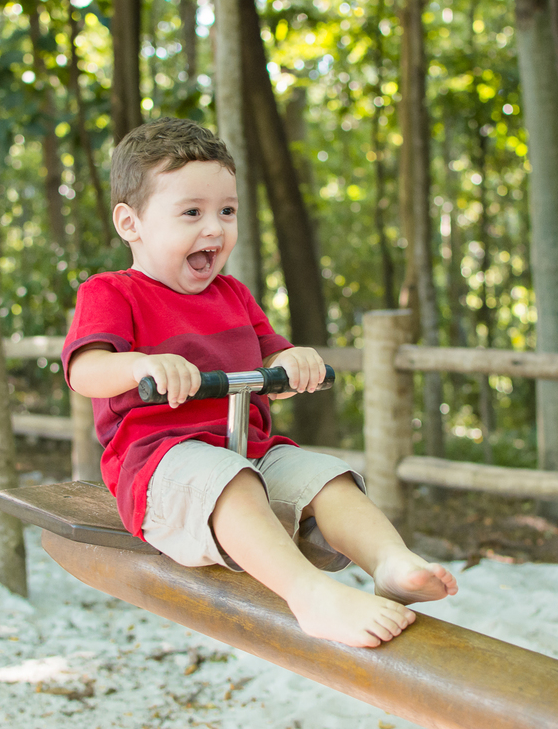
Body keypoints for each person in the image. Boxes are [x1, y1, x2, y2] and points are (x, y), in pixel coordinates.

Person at [61, 118, 456, 648]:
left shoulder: (232, 293)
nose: (214, 228)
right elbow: (85, 370)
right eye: (191, 213)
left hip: (251, 450)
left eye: (227, 211)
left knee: (326, 475)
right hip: (160, 463)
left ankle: (390, 561)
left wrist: (296, 361)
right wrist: (139, 366)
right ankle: (309, 594)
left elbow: (273, 351)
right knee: (231, 480)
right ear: (130, 223)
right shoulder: (112, 292)